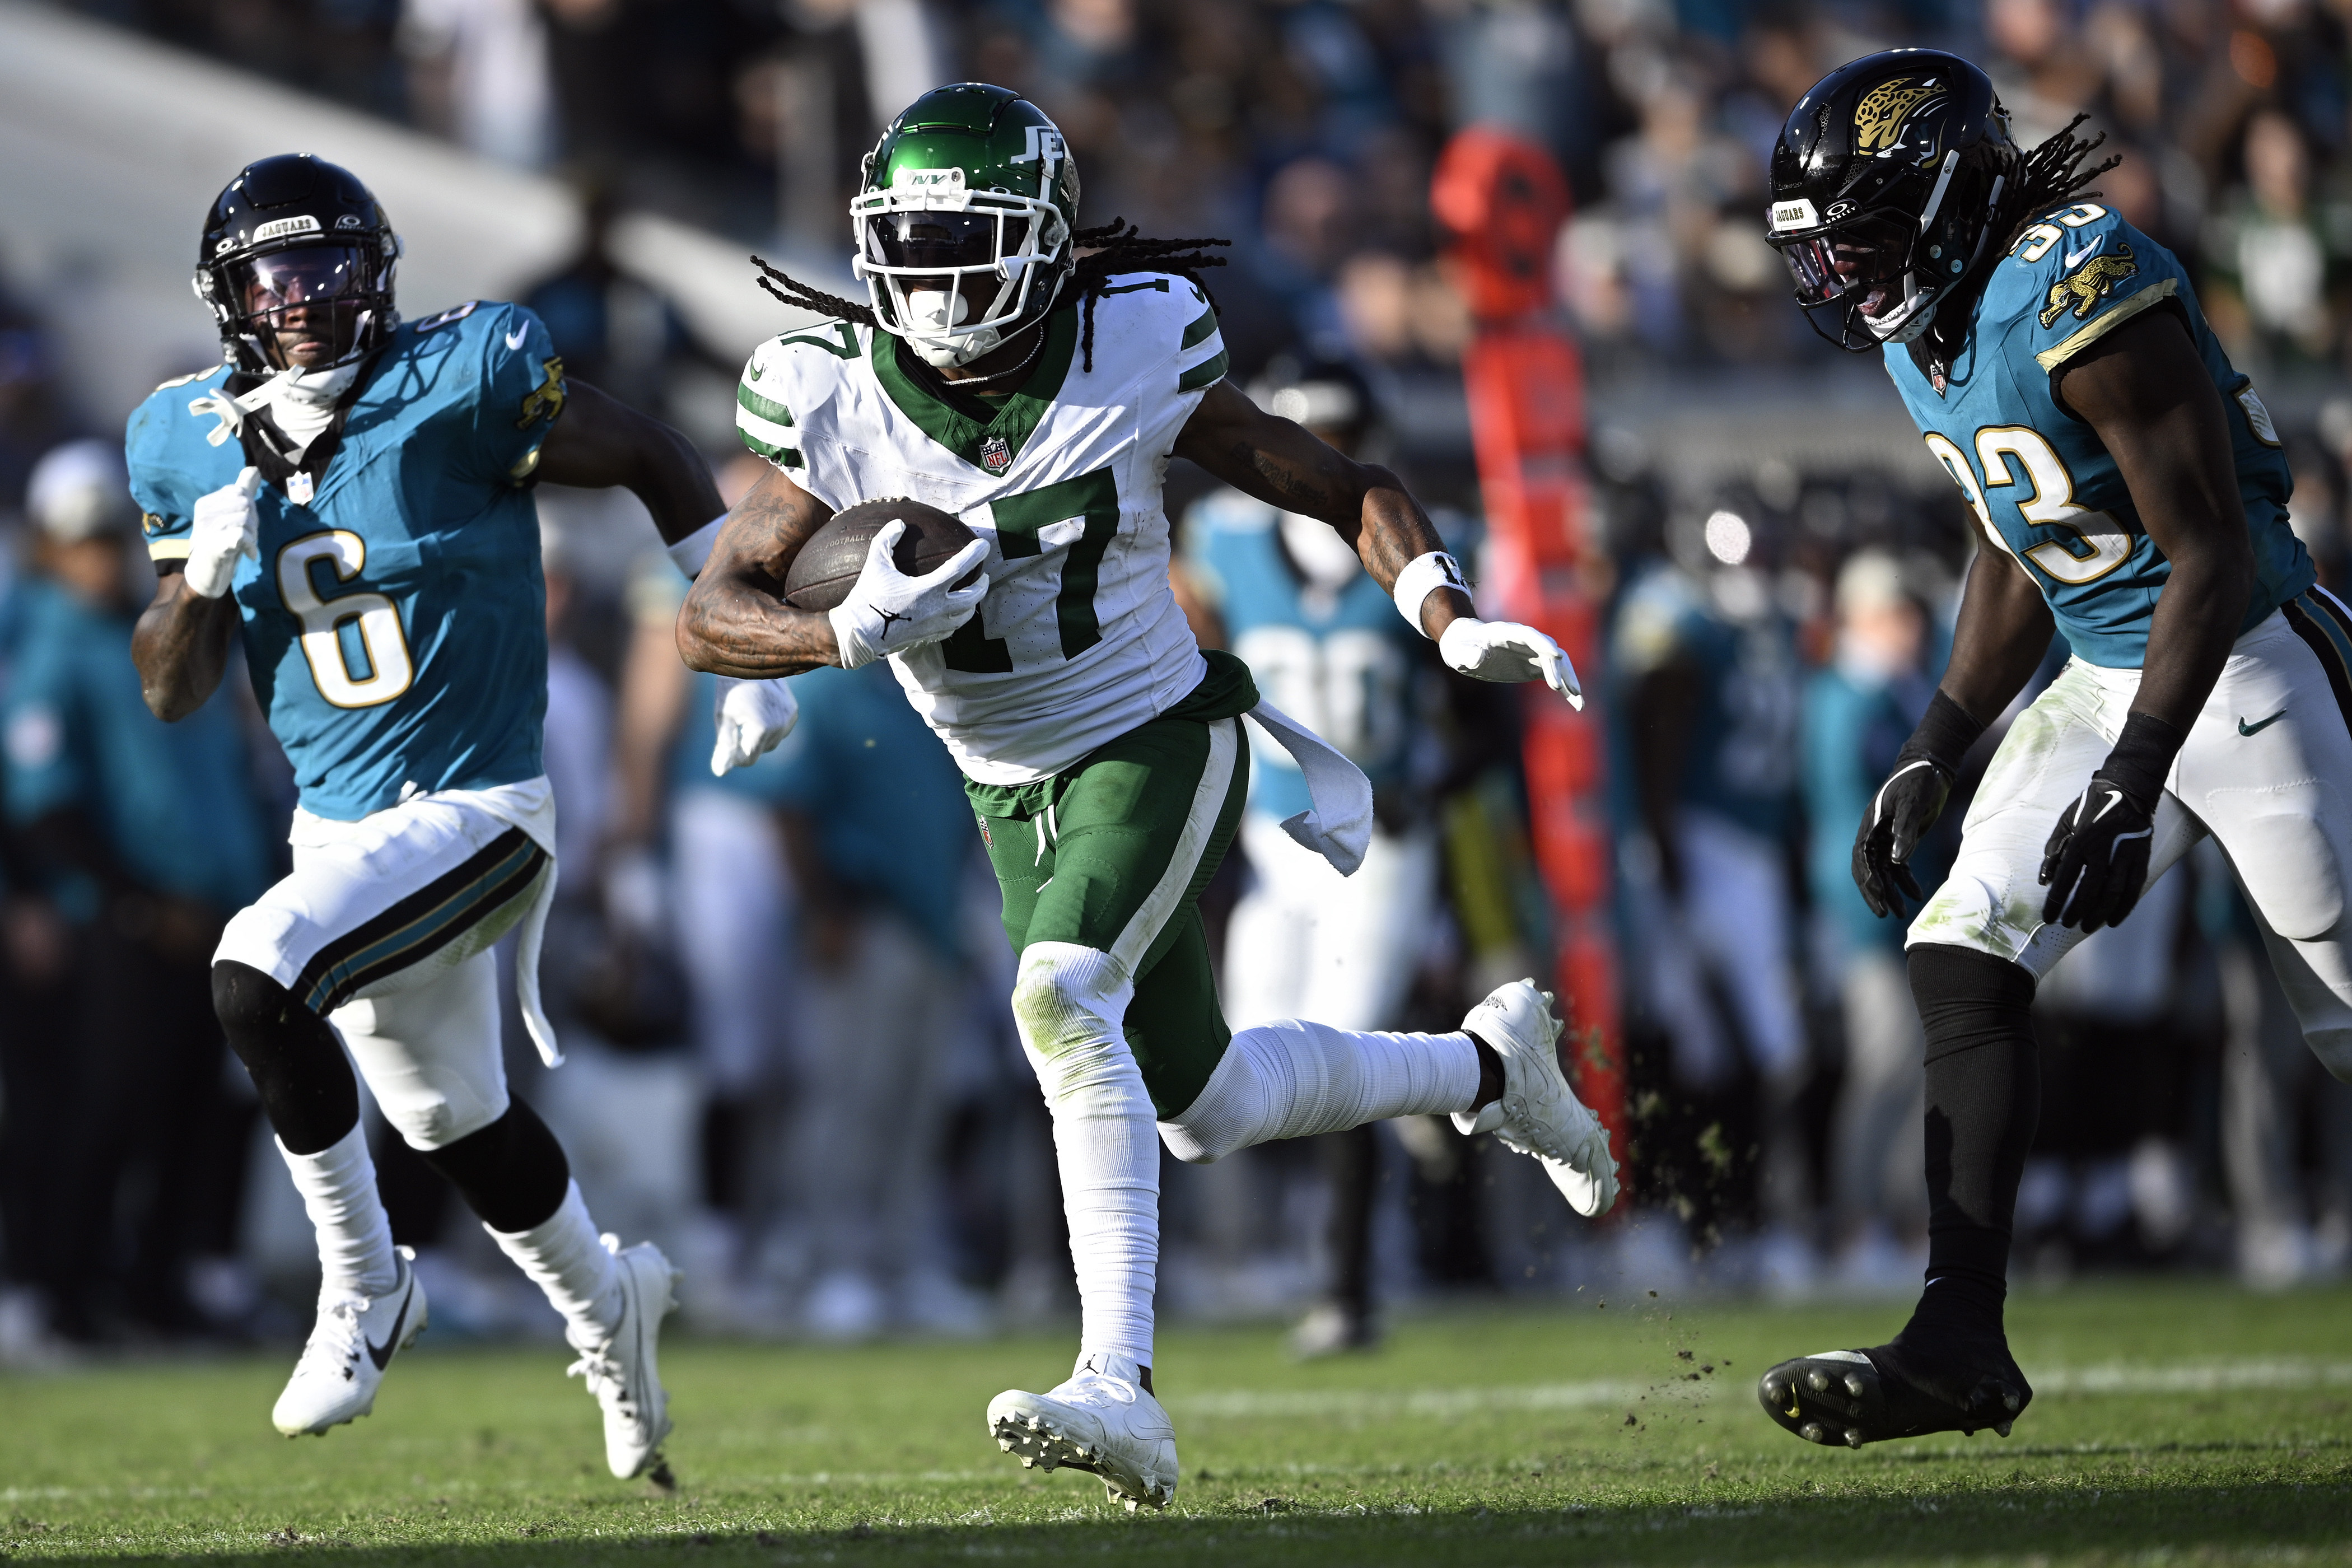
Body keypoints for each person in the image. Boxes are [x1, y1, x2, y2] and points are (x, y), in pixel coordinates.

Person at [678, 84, 1615, 1511]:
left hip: (1155, 733)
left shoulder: (1133, 342)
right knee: (1205, 1105)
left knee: (1061, 999)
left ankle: (1117, 1382)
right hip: (1006, 787)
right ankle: (1493, 1070)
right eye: (910, 249)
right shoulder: (833, 390)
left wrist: (1446, 612)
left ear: (1046, 246)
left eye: (967, 249)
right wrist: (832, 636)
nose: (934, 286)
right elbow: (710, 611)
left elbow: (1341, 481)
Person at [125, 154, 795, 1477]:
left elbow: (654, 451)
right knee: (455, 1120)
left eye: (326, 268)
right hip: (340, 829)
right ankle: (611, 1310)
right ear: (228, 297)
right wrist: (198, 580)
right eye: (273, 277)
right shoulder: (180, 436)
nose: (301, 300)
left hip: (481, 806)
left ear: (375, 274)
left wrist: (731, 632)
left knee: (257, 970)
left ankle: (366, 1280)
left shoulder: (461, 376)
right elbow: (168, 687)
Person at [1758, 50, 2344, 1447]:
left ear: (1947, 198)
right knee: (1962, 951)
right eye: (1824, 247)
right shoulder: (1931, 317)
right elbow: (2013, 535)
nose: (1843, 273)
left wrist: (2135, 775)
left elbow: (2206, 550)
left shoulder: (2078, 277)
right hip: (2102, 668)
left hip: (2249, 657)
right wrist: (1937, 740)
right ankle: (1958, 1335)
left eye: (1863, 235)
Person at [1184, 353, 1438, 1356]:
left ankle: (1347, 1289)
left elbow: (1474, 720)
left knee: (1336, 1050)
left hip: (1379, 845)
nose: (1326, 458)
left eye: (1345, 440)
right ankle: (1428, 1086)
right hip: (1272, 838)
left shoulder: (1413, 544)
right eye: (1312, 438)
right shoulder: (1223, 539)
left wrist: (1431, 790)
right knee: (1245, 1070)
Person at [1, 440, 273, 1343]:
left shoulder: (153, 631)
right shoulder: (49, 644)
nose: (94, 556)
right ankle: (63, 1290)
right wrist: (138, 903)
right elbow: (44, 801)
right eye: (76, 540)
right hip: (124, 916)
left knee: (192, 1110)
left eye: (104, 538)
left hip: (209, 908)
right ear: (46, 545)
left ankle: (160, 1287)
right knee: (103, 1105)